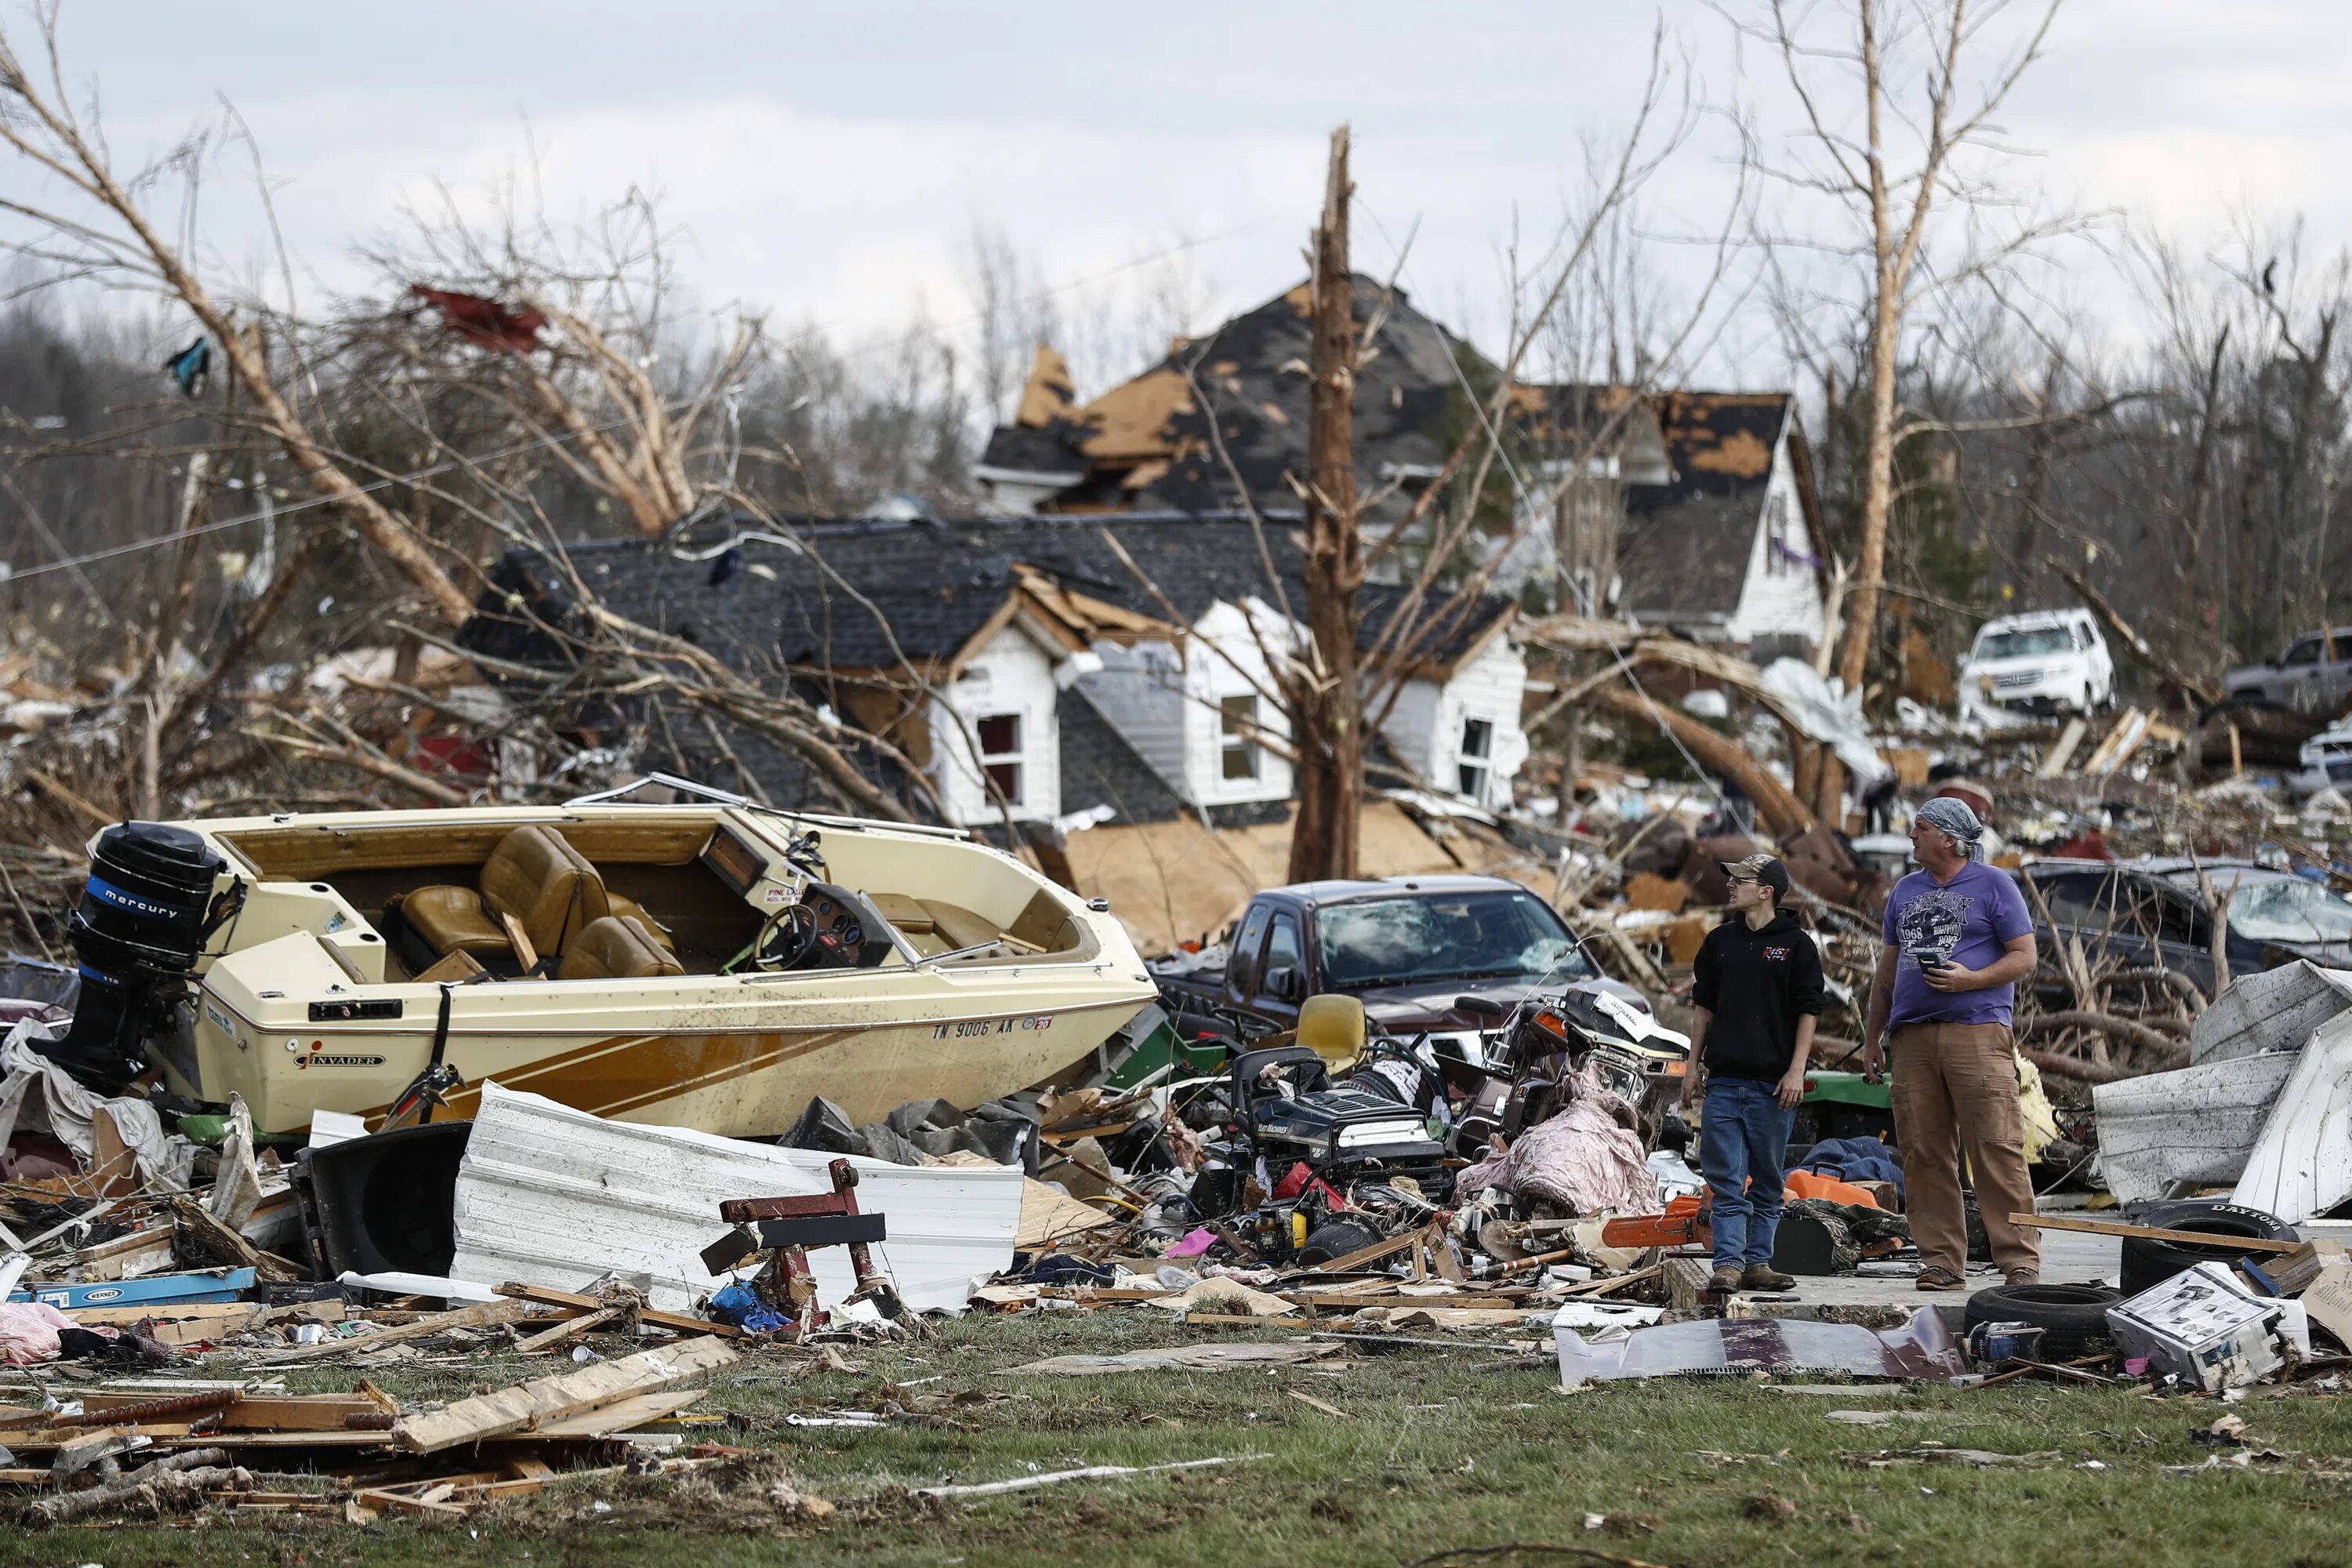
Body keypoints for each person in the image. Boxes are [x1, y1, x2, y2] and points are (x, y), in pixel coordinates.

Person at [1860, 797, 2041, 1291]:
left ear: (1947, 838)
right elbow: (1887, 969)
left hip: (1977, 1030)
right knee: (1923, 1151)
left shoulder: (1995, 884)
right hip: (1912, 1036)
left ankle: (2019, 1261)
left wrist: (1972, 980)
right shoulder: (1905, 891)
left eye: (1918, 829)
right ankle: (1941, 1261)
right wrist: (1872, 1038)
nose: (1911, 837)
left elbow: (2025, 957)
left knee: (1995, 1146)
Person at [1681, 854, 1825, 1294]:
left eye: (1739, 880)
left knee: (1767, 1179)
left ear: (1766, 891)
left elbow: (1808, 1010)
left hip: (1773, 1087)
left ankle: (1758, 1263)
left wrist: (1796, 1071)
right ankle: (1727, 1264)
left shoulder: (1797, 945)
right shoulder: (1719, 942)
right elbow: (1704, 1008)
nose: (1730, 885)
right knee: (1725, 1178)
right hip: (1725, 1082)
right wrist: (1691, 1066)